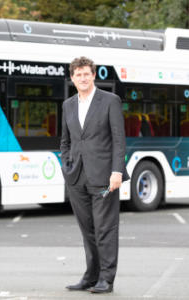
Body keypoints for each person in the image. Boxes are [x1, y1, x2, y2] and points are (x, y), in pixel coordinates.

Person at [61, 57, 129, 293]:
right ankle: (91, 276)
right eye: (78, 74)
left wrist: (117, 171)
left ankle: (106, 279)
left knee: (105, 228)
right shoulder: (68, 105)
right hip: (77, 177)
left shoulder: (110, 101)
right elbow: (65, 141)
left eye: (86, 74)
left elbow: (119, 139)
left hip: (105, 177)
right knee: (87, 230)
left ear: (93, 76)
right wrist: (66, 166)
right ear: (72, 78)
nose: (82, 78)